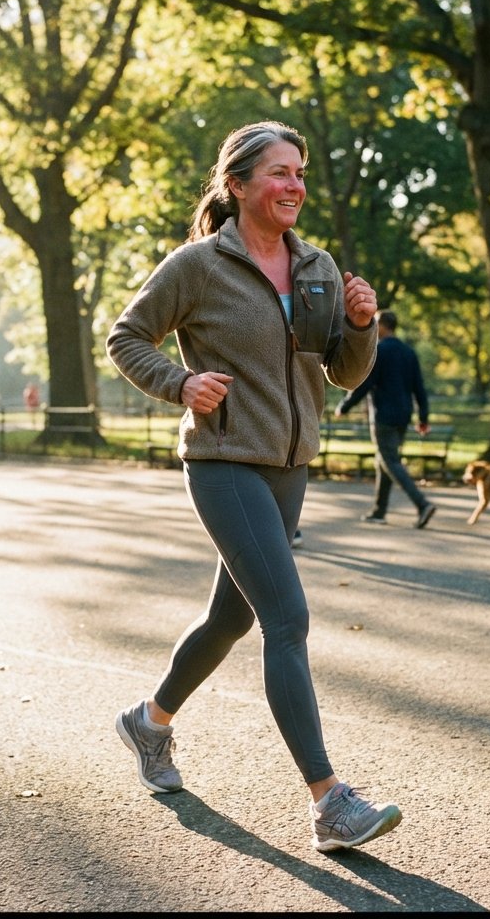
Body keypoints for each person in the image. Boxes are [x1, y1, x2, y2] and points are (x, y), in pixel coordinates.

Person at [106, 120, 402, 853]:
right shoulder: (198, 266)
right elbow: (126, 336)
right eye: (278, 172)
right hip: (223, 460)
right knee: (286, 619)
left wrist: (361, 325)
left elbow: (341, 372)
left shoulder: (319, 268)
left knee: (229, 621)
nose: (294, 184)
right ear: (237, 185)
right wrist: (180, 383)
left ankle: (149, 721)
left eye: (299, 171)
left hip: (289, 465)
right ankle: (330, 802)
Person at [334, 309, 437, 529]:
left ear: (382, 326)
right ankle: (379, 511)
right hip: (403, 415)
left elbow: (365, 383)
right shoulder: (409, 352)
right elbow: (419, 388)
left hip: (383, 416)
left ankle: (422, 504)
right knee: (384, 461)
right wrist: (423, 417)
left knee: (389, 460)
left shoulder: (379, 351)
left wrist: (345, 405)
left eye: (375, 322)